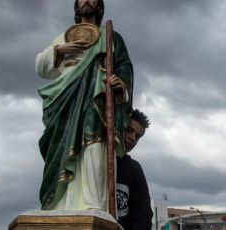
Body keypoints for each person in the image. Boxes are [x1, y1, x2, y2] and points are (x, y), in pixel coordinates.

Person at [35, 0, 133, 211]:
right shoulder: (63, 37)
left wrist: (120, 84)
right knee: (61, 150)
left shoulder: (111, 37)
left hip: (96, 102)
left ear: (99, 6)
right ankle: (59, 204)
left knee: (94, 146)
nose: (87, 1)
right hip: (65, 104)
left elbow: (124, 66)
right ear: (76, 5)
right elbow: (41, 67)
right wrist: (60, 50)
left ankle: (93, 205)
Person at [116, 109, 153, 230]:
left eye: (137, 136)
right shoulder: (89, 159)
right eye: (129, 130)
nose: (132, 138)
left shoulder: (134, 169)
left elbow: (142, 215)